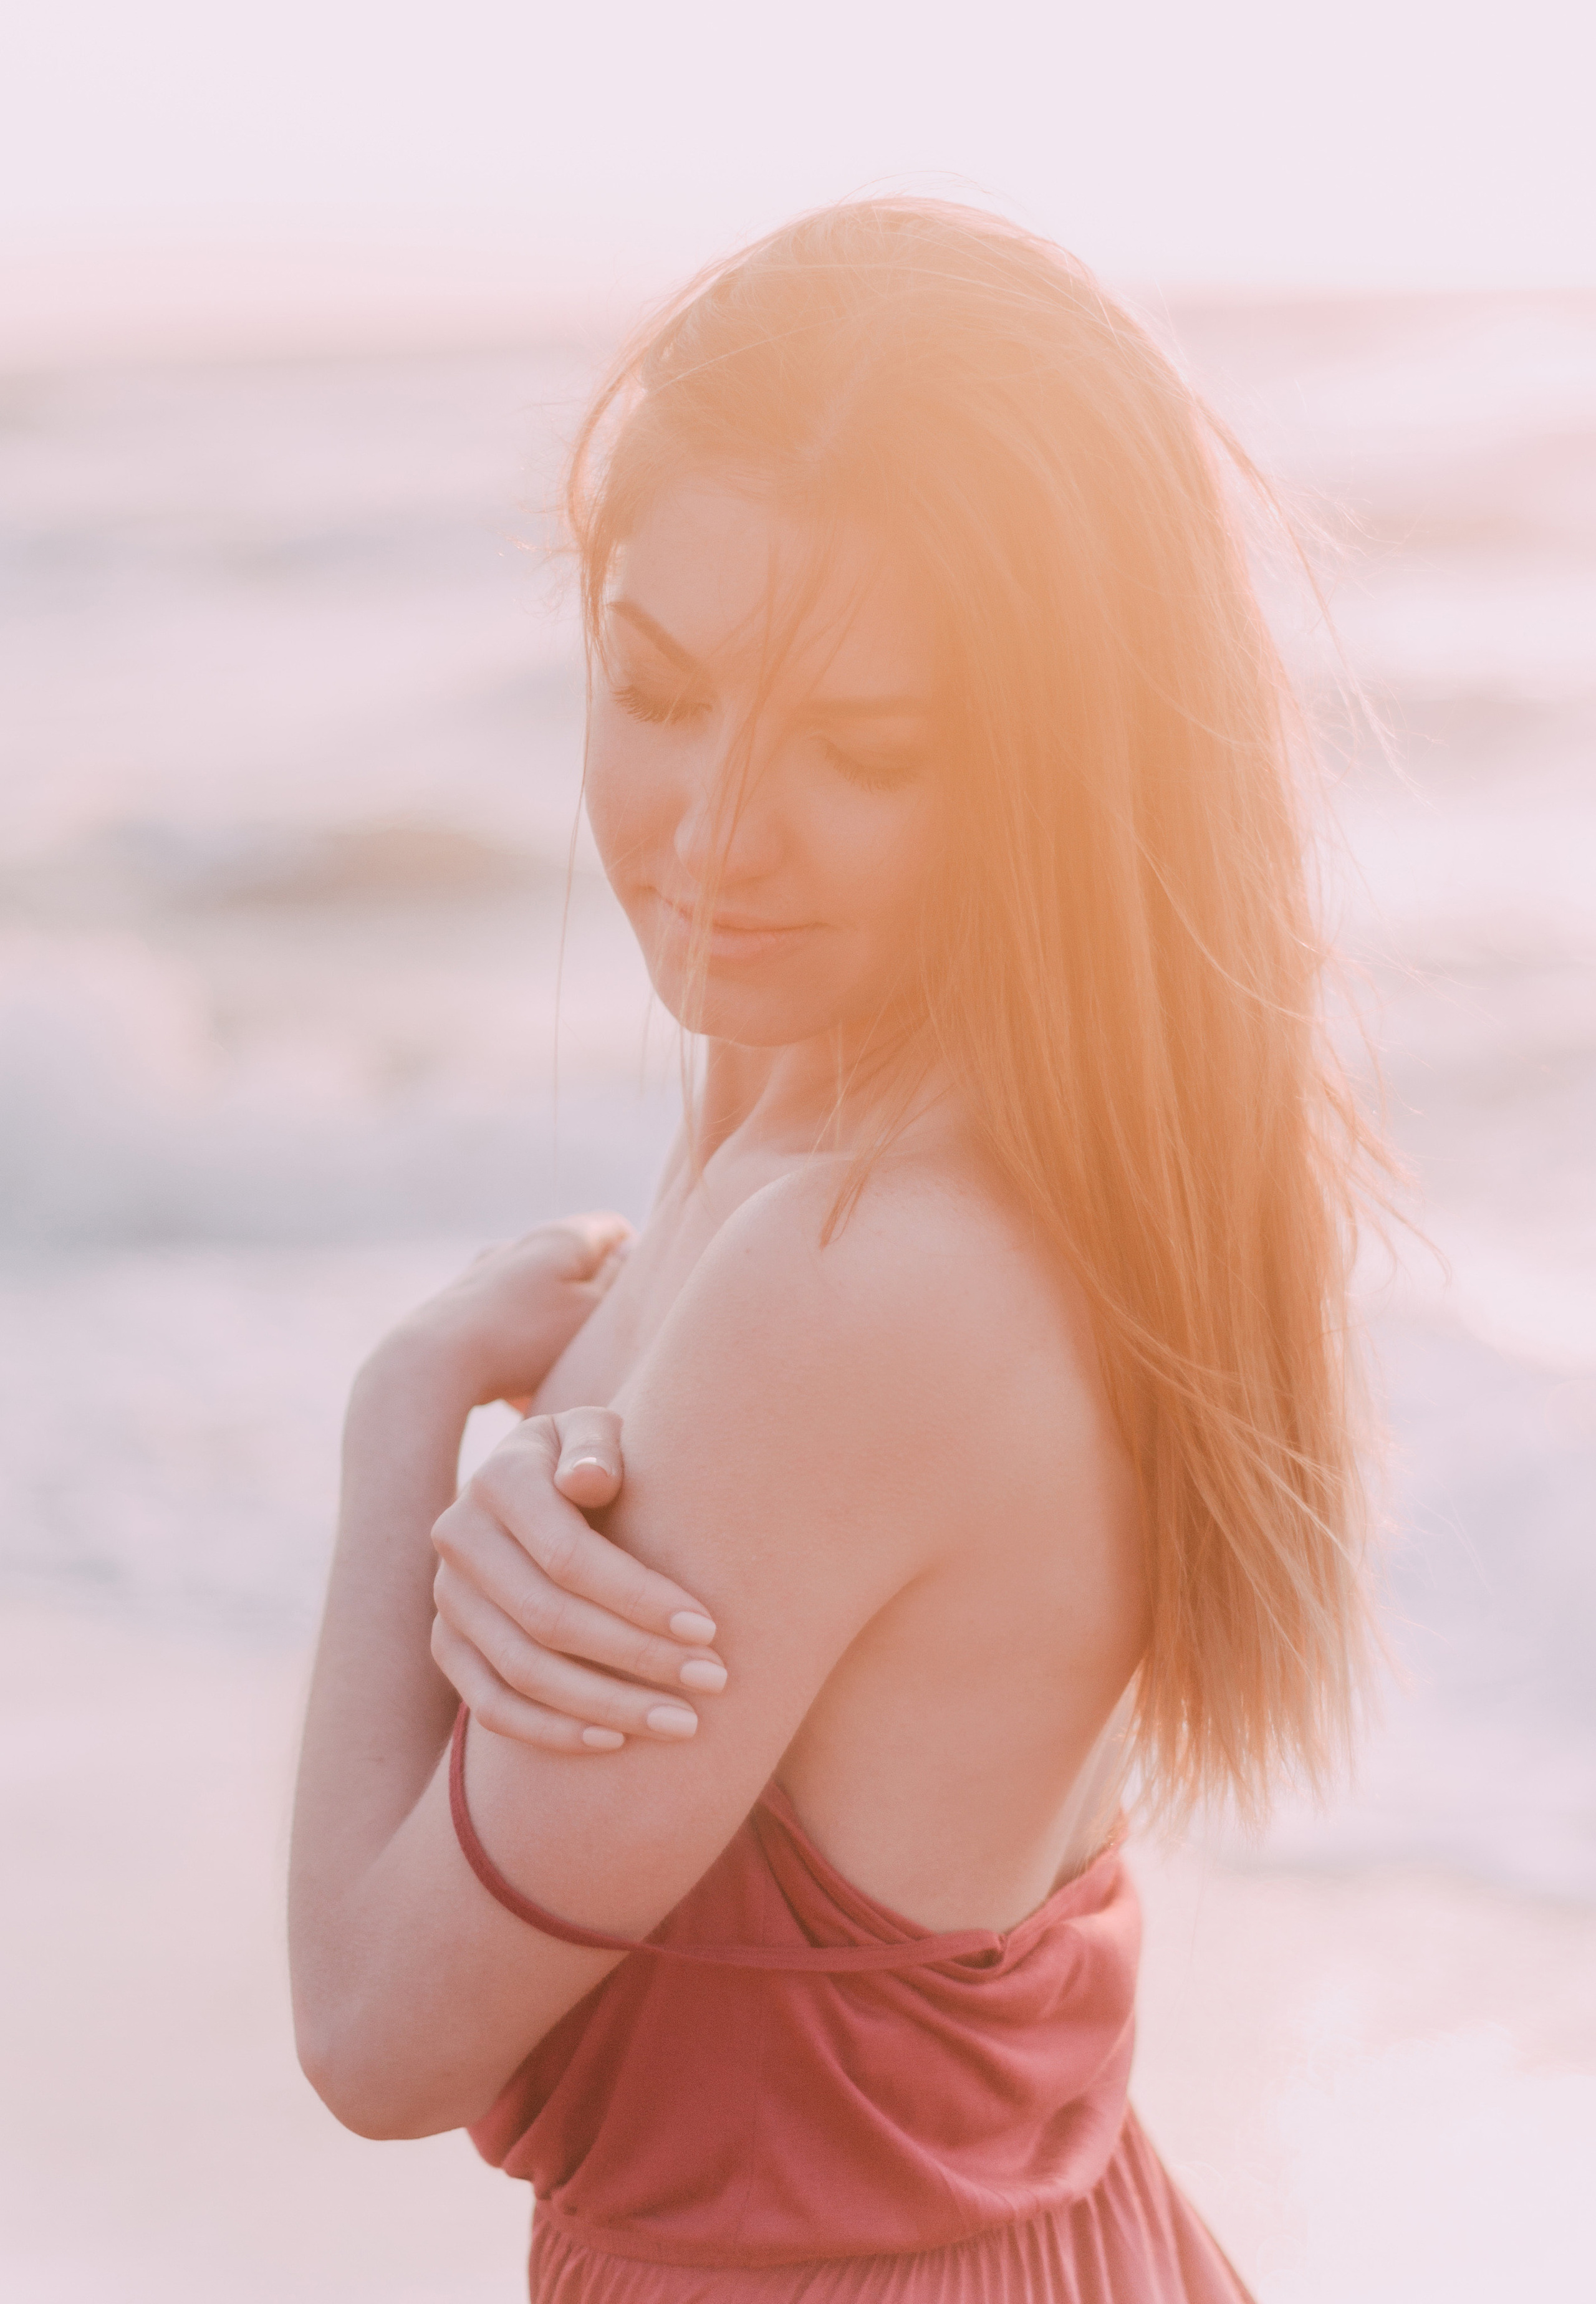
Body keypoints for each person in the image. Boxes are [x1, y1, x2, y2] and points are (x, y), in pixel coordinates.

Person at [289, 201, 1378, 2300]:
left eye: (864, 750)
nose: (714, 832)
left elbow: (373, 2028)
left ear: (1050, 778)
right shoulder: (833, 1110)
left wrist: (403, 1418)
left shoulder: (860, 1275)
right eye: (654, 687)